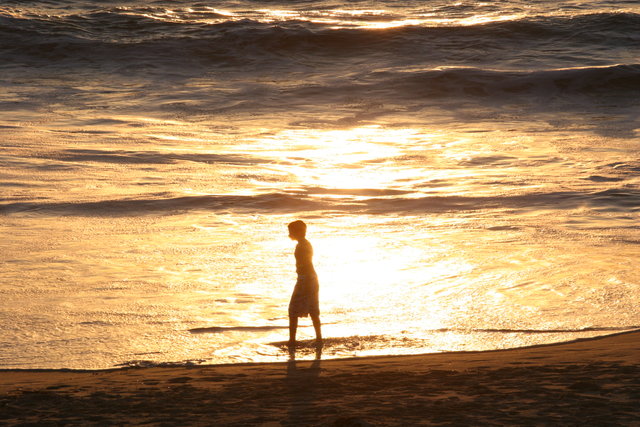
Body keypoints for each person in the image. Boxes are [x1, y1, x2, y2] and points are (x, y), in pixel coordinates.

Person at [287, 220, 322, 347]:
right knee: (313, 310)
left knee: (293, 310)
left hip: (305, 280)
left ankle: (292, 341)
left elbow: (305, 264)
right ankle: (319, 339)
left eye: (291, 231)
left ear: (297, 232)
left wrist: (304, 282)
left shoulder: (302, 246)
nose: (289, 234)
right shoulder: (305, 244)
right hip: (310, 279)